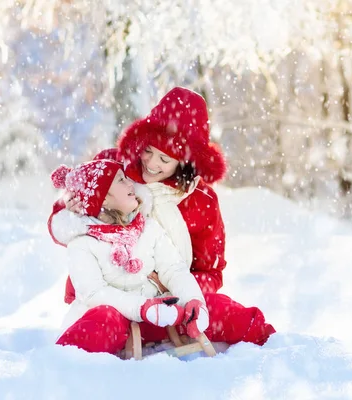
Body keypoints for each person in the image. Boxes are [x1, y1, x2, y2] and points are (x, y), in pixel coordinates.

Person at [50, 159, 275, 354]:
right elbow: (93, 293)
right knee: (100, 320)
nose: (130, 183)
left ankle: (271, 342)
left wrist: (193, 301)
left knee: (218, 306)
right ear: (103, 199)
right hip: (119, 321)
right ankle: (62, 364)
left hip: (162, 317)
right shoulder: (82, 243)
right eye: (120, 180)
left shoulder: (147, 228)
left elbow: (173, 269)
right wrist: (142, 307)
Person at [48, 87, 228, 304]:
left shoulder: (201, 201)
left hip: (168, 306)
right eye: (148, 150)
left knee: (225, 311)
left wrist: (174, 287)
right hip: (102, 300)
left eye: (164, 159)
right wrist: (70, 211)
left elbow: (211, 272)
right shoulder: (111, 167)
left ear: (184, 163)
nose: (151, 163)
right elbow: (61, 226)